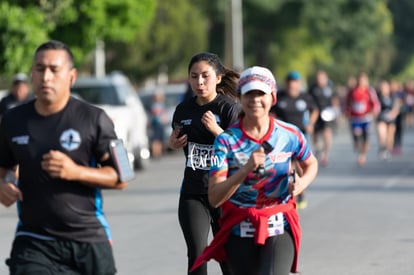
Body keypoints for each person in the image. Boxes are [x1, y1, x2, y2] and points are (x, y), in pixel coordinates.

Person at [0, 40, 128, 275]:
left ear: (71, 76)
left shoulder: (97, 118)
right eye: (39, 69)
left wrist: (75, 172)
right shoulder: (12, 120)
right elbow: (2, 166)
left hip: (88, 239)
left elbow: (124, 175)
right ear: (32, 74)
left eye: (54, 70)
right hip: (33, 239)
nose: (46, 77)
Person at [190, 66, 318, 275]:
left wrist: (301, 184)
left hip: (279, 224)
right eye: (249, 93)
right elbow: (214, 197)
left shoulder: (289, 134)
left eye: (261, 93)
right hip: (240, 227)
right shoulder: (226, 141)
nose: (255, 99)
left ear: (273, 97)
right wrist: (244, 170)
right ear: (240, 97)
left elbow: (311, 163)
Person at [169, 52, 240, 275]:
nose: (199, 82)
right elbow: (176, 140)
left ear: (218, 78)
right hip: (193, 191)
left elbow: (240, 150)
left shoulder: (229, 109)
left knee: (227, 256)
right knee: (198, 253)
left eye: (205, 76)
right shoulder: (183, 110)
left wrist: (218, 131)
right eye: (194, 76)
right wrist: (173, 142)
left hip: (223, 192)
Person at [270, 71, 318, 209]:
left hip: (300, 137)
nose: (292, 85)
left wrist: (311, 123)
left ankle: (301, 189)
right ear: (286, 84)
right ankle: (289, 193)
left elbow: (315, 110)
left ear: (298, 84)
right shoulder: (281, 97)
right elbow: (271, 112)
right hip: (283, 138)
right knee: (288, 167)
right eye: (290, 82)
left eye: (295, 82)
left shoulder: (305, 97)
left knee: (301, 166)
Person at [345, 72, 380, 166]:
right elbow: (347, 102)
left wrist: (374, 113)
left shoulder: (369, 91)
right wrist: (347, 111)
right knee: (356, 133)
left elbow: (375, 104)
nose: (361, 82)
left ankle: (362, 155)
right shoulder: (352, 91)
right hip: (355, 117)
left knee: (365, 138)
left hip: (366, 117)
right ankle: (357, 145)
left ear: (366, 81)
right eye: (360, 80)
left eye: (363, 80)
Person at [308, 70, 340, 166]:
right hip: (316, 114)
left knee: (327, 132)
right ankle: (318, 147)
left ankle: (325, 153)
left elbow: (335, 100)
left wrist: (336, 112)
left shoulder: (330, 87)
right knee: (315, 133)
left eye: (322, 78)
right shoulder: (312, 89)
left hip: (328, 114)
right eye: (318, 78)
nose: (320, 80)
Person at [375, 80, 401, 160]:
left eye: (385, 87)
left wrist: (392, 114)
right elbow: (375, 107)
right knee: (382, 134)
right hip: (381, 118)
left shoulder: (393, 96)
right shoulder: (378, 97)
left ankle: (388, 150)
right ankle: (382, 147)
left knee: (390, 137)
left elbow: (397, 108)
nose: (384, 89)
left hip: (391, 119)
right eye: (382, 87)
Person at [150, 90, 168, 158]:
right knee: (156, 139)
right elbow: (156, 114)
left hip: (160, 124)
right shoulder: (155, 105)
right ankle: (156, 152)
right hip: (157, 123)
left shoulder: (161, 104)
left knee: (160, 139)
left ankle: (159, 152)